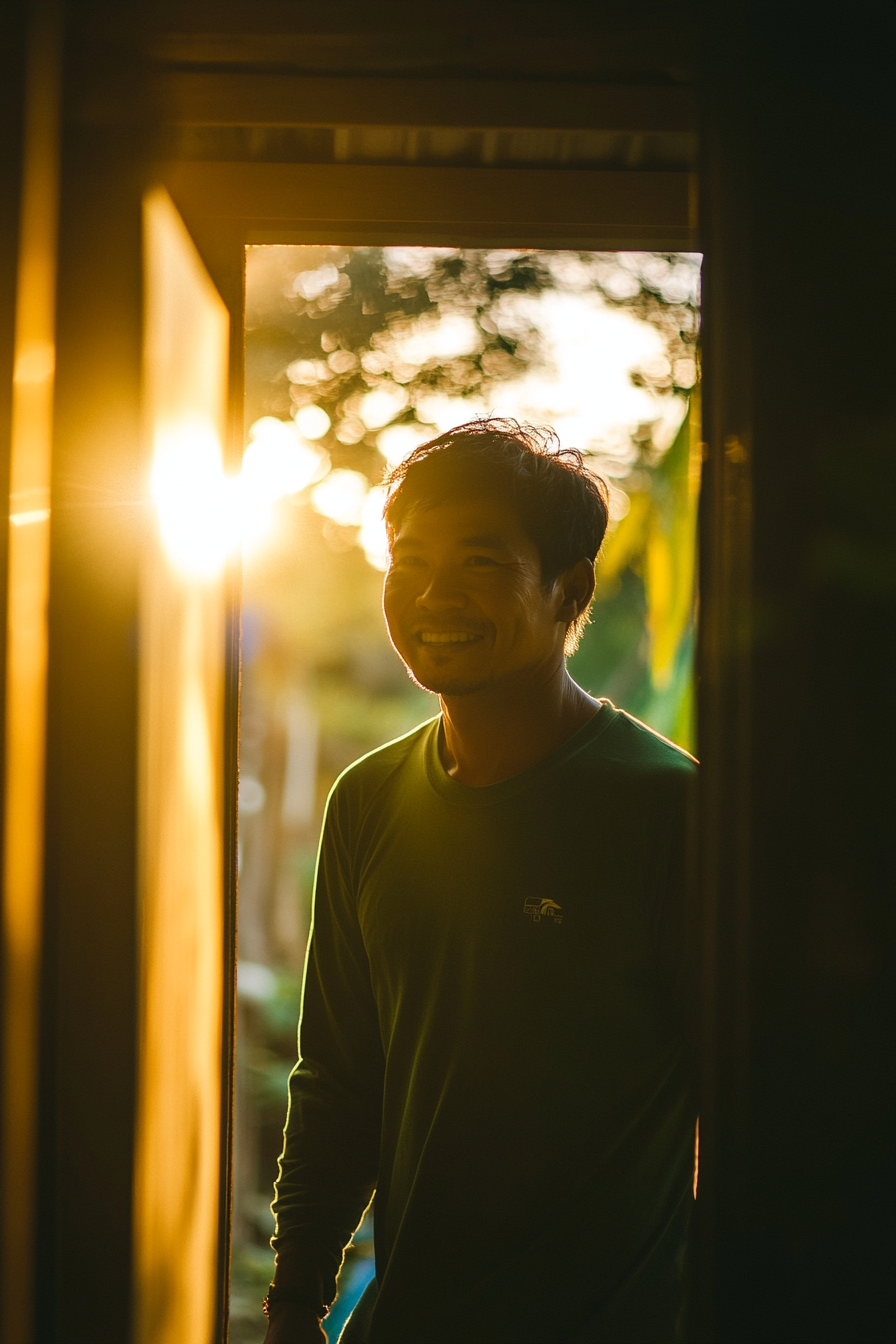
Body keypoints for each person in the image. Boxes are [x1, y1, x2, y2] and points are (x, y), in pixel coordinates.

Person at [263, 419, 697, 1344]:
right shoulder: (370, 800)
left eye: (482, 564)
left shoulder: (669, 810)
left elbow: (750, 1108)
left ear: (567, 590)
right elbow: (341, 1077)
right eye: (408, 559)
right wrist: (295, 1297)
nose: (432, 595)